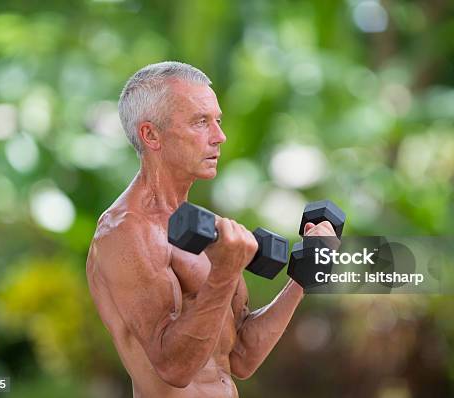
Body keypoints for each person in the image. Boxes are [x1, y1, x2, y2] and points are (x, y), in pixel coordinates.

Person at [86, 61, 335, 398]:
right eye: (200, 122)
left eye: (217, 121)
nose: (219, 136)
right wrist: (224, 273)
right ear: (151, 135)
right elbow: (173, 368)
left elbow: (241, 357)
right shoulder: (123, 233)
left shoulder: (208, 229)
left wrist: (301, 281)